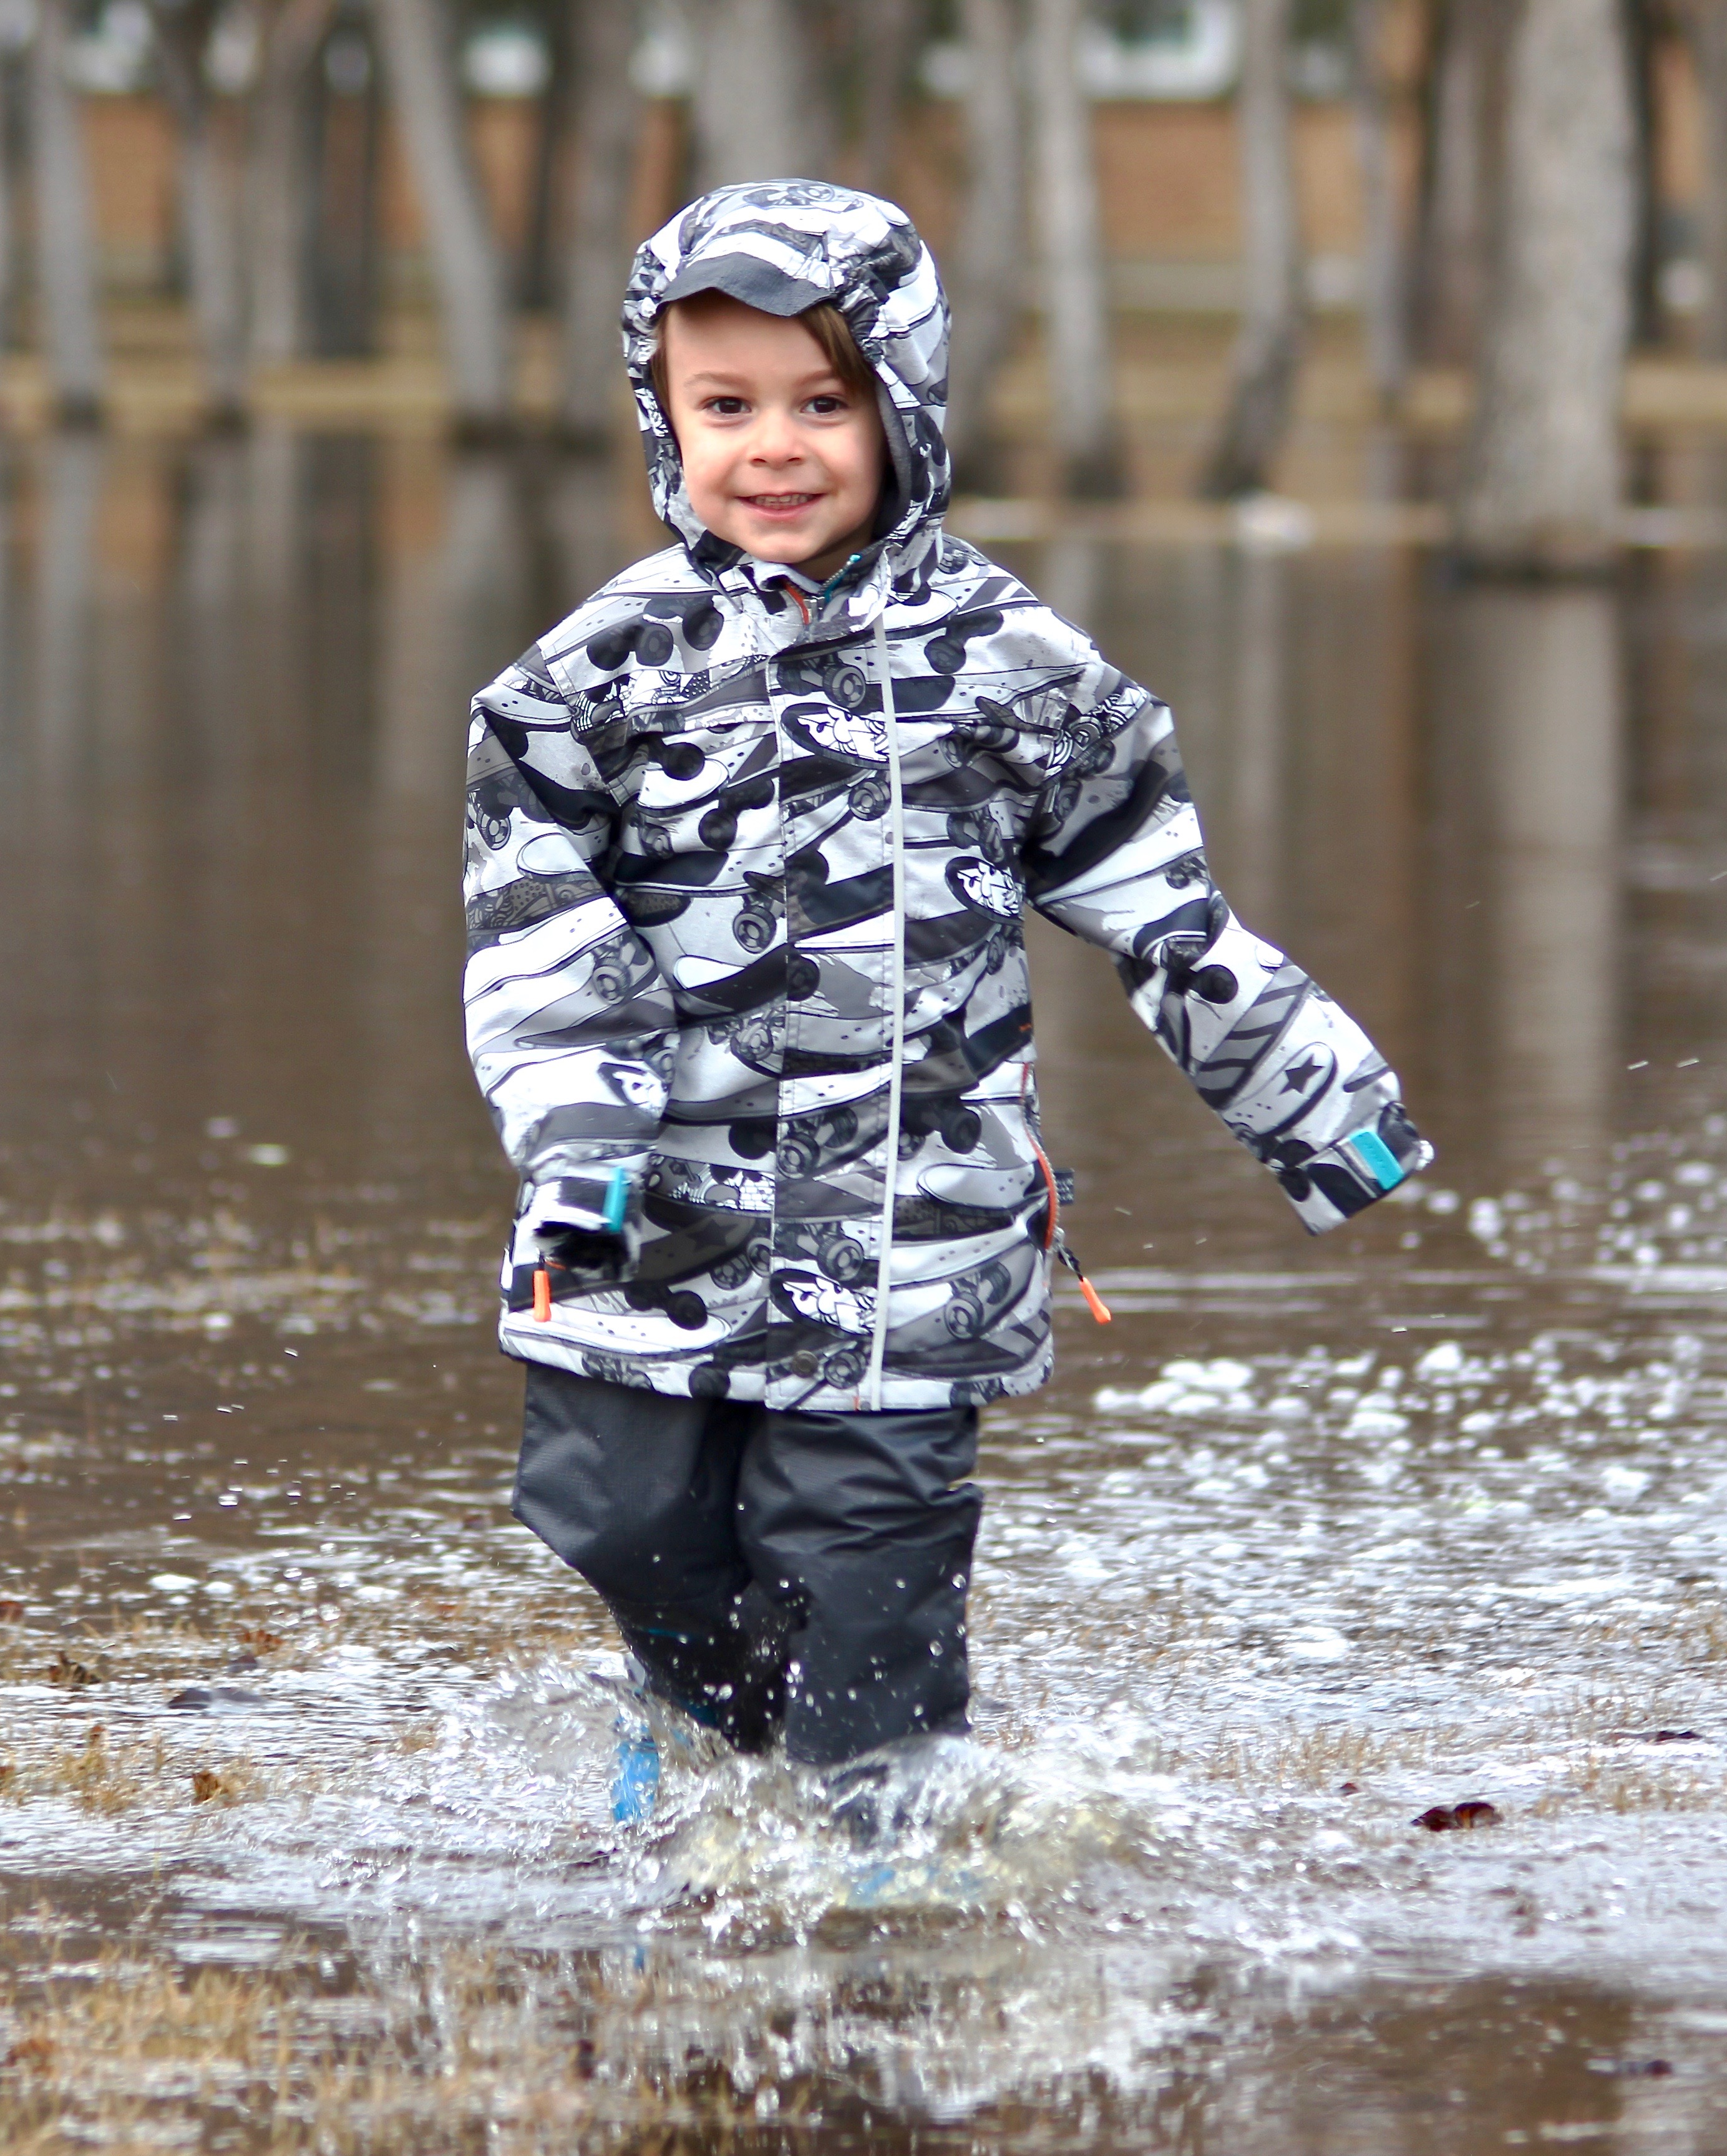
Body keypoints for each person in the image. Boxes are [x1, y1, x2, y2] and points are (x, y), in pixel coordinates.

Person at [460, 181, 1429, 1804]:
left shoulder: (1011, 666)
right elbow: (536, 927)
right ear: (663, 418)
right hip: (643, 1212)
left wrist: (1324, 1107)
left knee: (870, 1592)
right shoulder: (592, 682)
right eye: (728, 406)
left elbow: (1160, 904)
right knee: (614, 1514)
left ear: (900, 407)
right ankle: (699, 1717)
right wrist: (581, 1132)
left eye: (822, 403)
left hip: (918, 1240)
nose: (774, 446)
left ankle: (885, 1885)